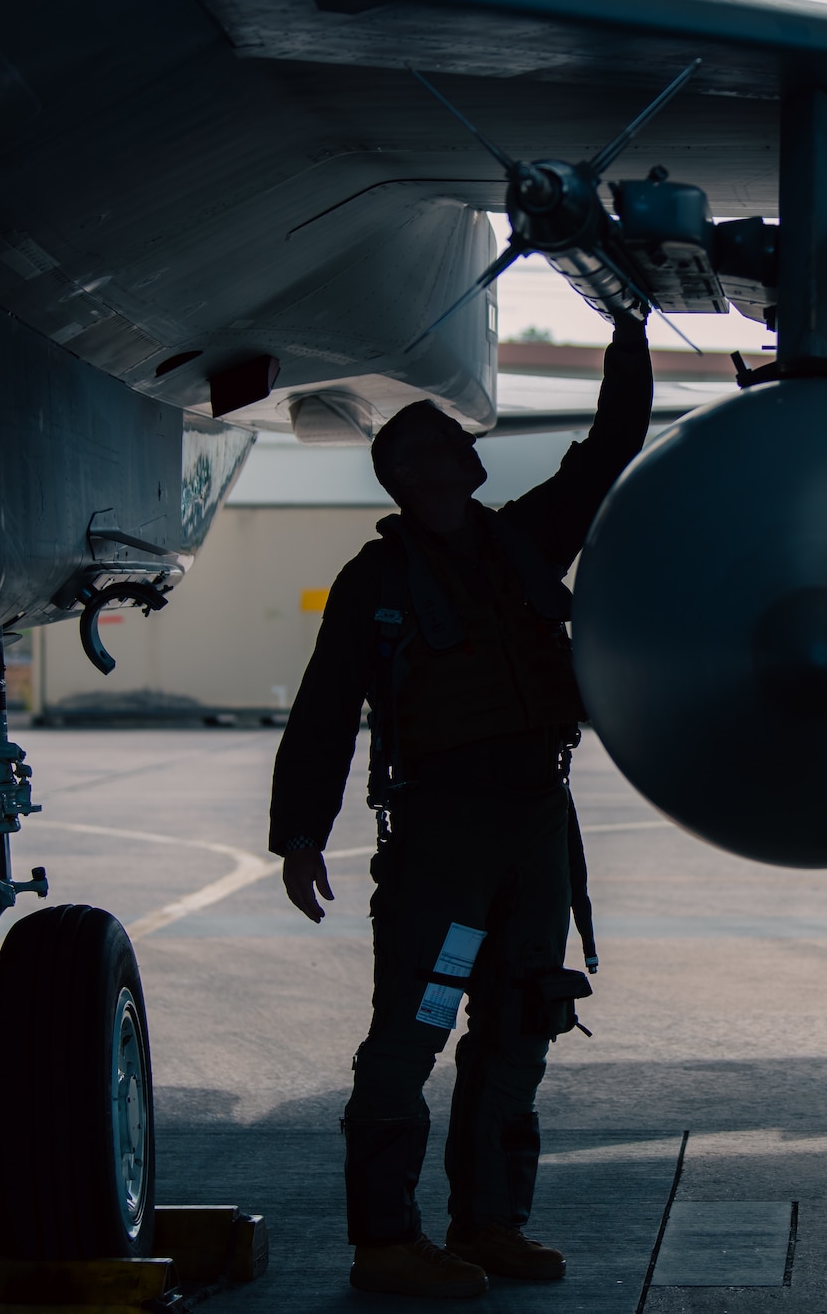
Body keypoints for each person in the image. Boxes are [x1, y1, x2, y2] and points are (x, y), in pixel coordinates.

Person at [268, 314, 651, 1298]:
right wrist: (301, 833)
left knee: (522, 1020)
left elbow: (612, 445)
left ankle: (489, 1224)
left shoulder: (523, 543)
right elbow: (324, 715)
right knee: (420, 1025)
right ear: (417, 473)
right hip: (444, 842)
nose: (467, 451)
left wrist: (627, 329)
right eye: (449, 441)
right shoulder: (375, 586)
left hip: (531, 825)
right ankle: (386, 1238)